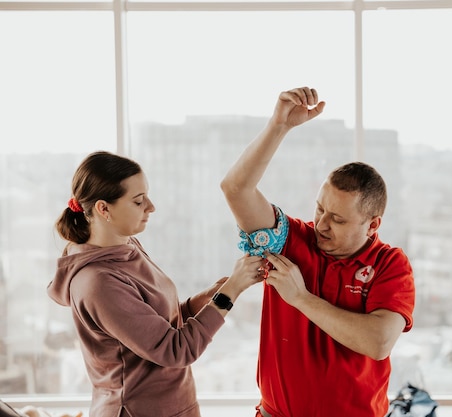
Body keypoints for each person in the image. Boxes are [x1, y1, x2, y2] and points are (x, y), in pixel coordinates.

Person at [220, 87, 416, 417]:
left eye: (338, 219)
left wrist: (301, 298)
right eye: (320, 209)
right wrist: (278, 126)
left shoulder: (390, 264)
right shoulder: (290, 239)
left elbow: (378, 343)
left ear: (372, 225)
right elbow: (236, 189)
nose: (322, 224)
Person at [48, 151, 265, 417]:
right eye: (139, 201)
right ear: (104, 209)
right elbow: (175, 349)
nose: (151, 207)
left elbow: (166, 321)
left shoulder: (128, 247)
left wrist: (219, 292)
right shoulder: (98, 283)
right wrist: (231, 292)